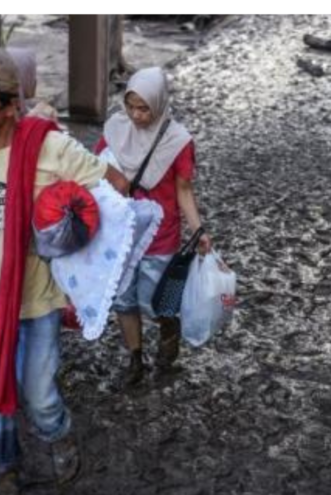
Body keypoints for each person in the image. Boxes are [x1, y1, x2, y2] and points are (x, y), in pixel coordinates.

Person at [0, 47, 129, 495]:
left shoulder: (49, 147)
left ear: (10, 107)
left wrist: (72, 236)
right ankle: (6, 470)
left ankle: (58, 435)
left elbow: (115, 186)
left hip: (37, 302)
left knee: (39, 397)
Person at [94, 67, 213, 388]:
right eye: (131, 106)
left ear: (159, 103)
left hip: (161, 236)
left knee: (154, 300)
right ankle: (135, 360)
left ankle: (168, 327)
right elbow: (96, 170)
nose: (136, 115)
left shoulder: (178, 141)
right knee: (122, 299)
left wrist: (198, 230)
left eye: (144, 108)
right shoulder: (116, 129)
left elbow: (184, 190)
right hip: (121, 232)